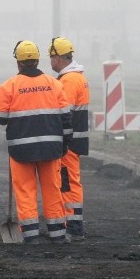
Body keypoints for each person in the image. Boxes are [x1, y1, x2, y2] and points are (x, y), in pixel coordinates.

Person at [0, 40, 72, 244]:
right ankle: (58, 235)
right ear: (37, 60)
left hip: (21, 149)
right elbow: (66, 118)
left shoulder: (9, 86)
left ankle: (31, 236)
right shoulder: (55, 84)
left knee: (25, 192)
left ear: (18, 62)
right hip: (51, 148)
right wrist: (64, 143)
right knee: (53, 190)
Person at [49, 37, 89, 241]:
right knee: (69, 181)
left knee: (68, 182)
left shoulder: (69, 80)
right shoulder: (74, 77)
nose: (50, 61)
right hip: (74, 139)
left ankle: (73, 227)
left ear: (57, 58)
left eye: (51, 57)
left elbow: (63, 111)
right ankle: (72, 223)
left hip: (69, 141)